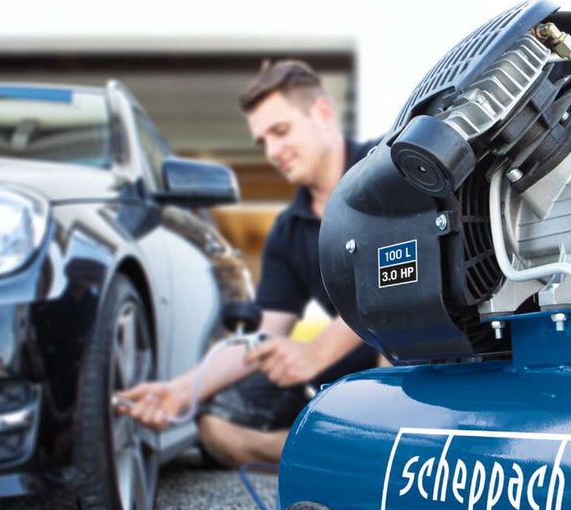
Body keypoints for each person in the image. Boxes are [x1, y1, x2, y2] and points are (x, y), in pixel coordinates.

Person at [117, 60, 379, 464]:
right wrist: (180, 391)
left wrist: (317, 352)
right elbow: (263, 335)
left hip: (405, 353)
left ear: (323, 114)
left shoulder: (387, 171)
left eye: (280, 131)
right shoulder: (288, 231)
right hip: (339, 371)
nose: (272, 152)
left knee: (394, 353)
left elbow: (405, 284)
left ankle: (356, 451)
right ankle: (340, 456)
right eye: (262, 142)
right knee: (216, 428)